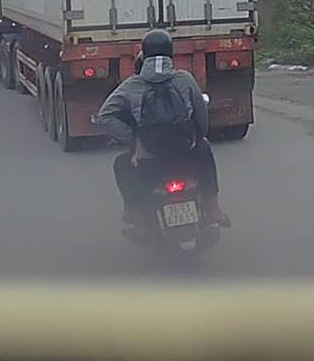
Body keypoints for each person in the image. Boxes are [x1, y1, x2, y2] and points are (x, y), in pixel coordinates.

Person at [95, 29, 231, 237]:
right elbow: (201, 115)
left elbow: (105, 116)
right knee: (205, 147)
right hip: (187, 151)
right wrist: (198, 137)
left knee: (121, 164)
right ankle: (213, 209)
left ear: (144, 54)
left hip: (149, 158)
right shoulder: (184, 79)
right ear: (170, 53)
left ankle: (141, 221)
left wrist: (135, 141)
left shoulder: (131, 86)